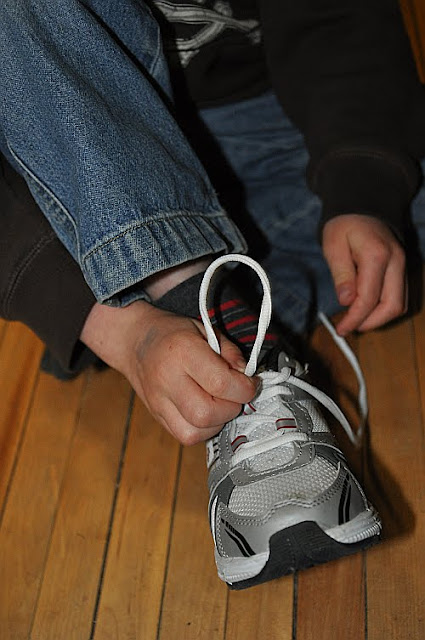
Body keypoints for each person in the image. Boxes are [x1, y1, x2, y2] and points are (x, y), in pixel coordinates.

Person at [0, 0, 424, 587]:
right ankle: (197, 303)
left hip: (275, 122)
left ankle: (213, 307)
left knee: (396, 176)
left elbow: (337, 21)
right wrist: (119, 332)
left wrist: (361, 185)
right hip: (73, 167)